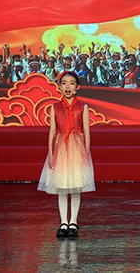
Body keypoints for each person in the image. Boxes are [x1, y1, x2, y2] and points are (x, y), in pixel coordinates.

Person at [38, 71, 95, 239]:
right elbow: (52, 132)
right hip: (61, 149)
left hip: (77, 148)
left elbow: (86, 132)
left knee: (76, 186)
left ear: (77, 87)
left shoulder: (83, 107)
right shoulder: (54, 107)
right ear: (59, 86)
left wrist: (86, 153)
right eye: (64, 83)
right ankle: (63, 222)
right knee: (62, 186)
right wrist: (51, 153)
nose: (67, 86)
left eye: (71, 83)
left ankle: (73, 222)